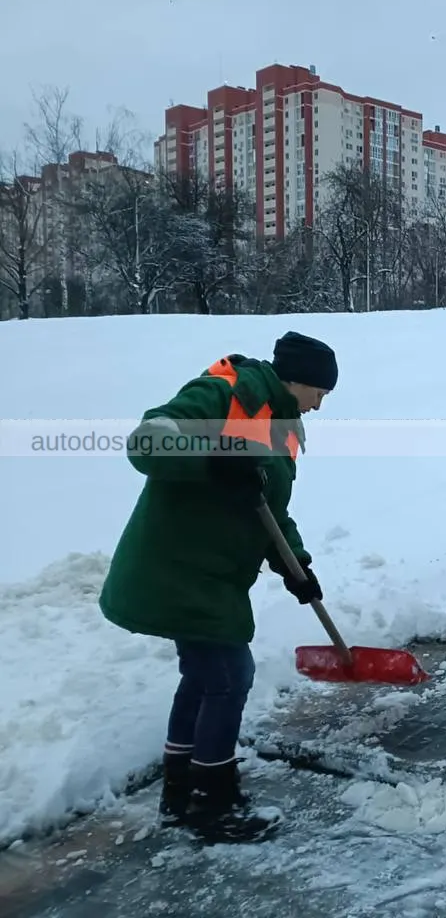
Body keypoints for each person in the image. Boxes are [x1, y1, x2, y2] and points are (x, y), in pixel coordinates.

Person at [97, 331, 338, 844]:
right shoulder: (227, 393)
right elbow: (148, 441)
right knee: (229, 675)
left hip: (215, 576)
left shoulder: (282, 427)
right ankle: (212, 802)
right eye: (319, 392)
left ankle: (180, 793)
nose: (319, 405)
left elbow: (269, 510)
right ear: (298, 380)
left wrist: (296, 566)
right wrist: (215, 457)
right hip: (177, 567)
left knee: (206, 677)